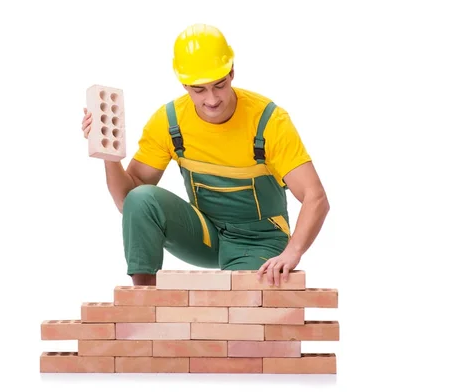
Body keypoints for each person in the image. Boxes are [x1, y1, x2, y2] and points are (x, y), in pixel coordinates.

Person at [81, 24, 330, 287]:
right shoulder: (170, 121)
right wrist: (109, 154)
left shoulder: (268, 121)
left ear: (232, 72)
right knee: (142, 197)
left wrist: (293, 252)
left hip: (259, 241)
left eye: (219, 85)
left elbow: (316, 197)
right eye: (199, 89)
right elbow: (128, 203)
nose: (211, 99)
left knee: (238, 306)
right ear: (184, 84)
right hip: (206, 235)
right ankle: (144, 301)